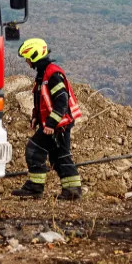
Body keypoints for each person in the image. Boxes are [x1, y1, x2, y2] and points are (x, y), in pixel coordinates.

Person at [12, 38, 85, 200]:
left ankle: (35, 187)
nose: (26, 62)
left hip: (59, 124)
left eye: (28, 58)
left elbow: (61, 101)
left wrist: (51, 123)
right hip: (57, 123)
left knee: (34, 149)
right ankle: (72, 190)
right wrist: (36, 117)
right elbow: (42, 100)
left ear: (35, 56)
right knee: (59, 156)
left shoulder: (52, 75)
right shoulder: (43, 74)